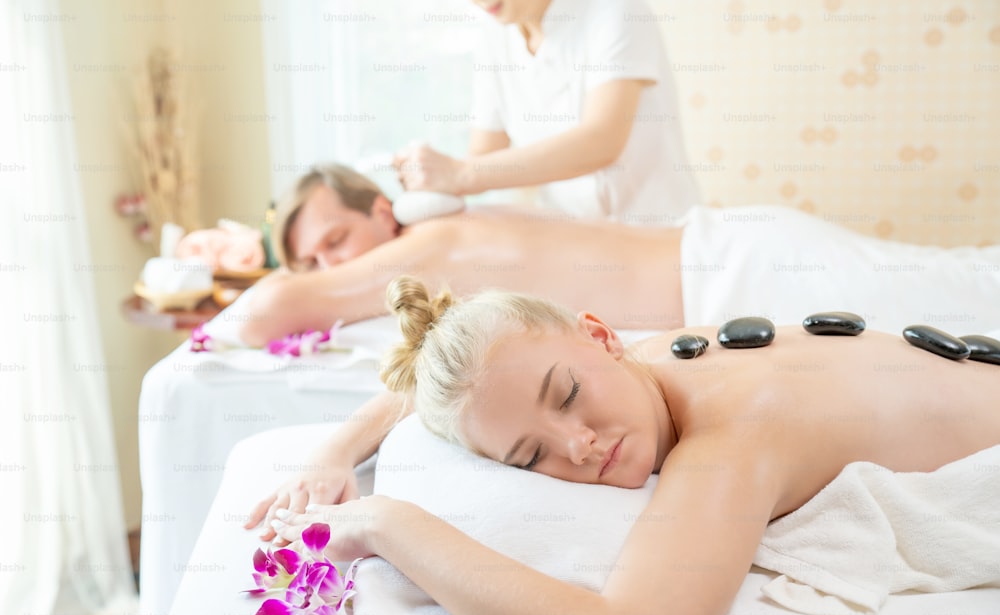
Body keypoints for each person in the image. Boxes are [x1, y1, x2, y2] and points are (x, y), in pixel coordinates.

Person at [264, 276, 1000, 615]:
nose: (577, 445)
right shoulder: (650, 357)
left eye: (569, 397)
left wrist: (385, 521)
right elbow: (455, 373)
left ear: (601, 334)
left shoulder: (737, 437)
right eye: (531, 456)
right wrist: (336, 450)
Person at [243, 162, 1000, 348]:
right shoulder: (454, 239)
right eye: (309, 260)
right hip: (738, 265)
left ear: (385, 208)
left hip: (743, 272)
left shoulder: (432, 241)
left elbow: (273, 310)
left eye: (333, 244)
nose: (328, 270)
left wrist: (236, 258)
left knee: (970, 296)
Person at [393, 0, 701, 223]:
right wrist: (430, 175)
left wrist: (458, 174)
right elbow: (483, 156)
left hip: (657, 230)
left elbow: (601, 141)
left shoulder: (615, 10)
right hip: (575, 239)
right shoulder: (495, 33)